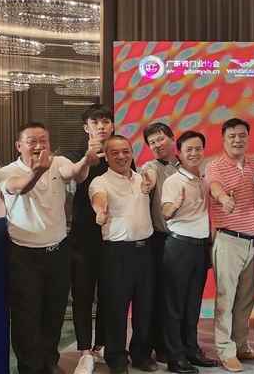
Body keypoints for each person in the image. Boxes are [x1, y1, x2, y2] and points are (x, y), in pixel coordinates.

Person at [0, 122, 95, 374]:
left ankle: (50, 361)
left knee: (55, 311)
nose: (39, 146)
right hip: (23, 254)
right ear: (19, 146)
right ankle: (30, 368)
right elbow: (19, 187)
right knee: (26, 315)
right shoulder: (6, 171)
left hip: (58, 251)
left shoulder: (58, 161)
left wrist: (86, 160)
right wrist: (37, 172)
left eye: (44, 140)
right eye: (32, 141)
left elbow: (74, 173)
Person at [89, 135, 158, 374]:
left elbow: (151, 179)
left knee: (145, 307)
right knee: (116, 309)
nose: (121, 156)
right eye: (115, 152)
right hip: (117, 253)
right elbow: (99, 199)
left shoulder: (141, 179)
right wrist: (100, 211)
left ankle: (140, 354)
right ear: (106, 157)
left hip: (145, 251)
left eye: (125, 151)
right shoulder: (100, 182)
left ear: (131, 153)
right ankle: (116, 358)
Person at [204, 118, 254, 373]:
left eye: (242, 135)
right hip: (228, 240)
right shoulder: (215, 166)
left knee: (246, 300)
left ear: (247, 137)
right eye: (232, 136)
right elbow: (214, 186)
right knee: (225, 299)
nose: (237, 140)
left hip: (253, 241)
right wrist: (222, 198)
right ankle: (225, 350)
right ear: (223, 139)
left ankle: (241, 345)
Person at [160, 130, 218, 373]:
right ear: (179, 154)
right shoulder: (174, 181)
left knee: (193, 304)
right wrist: (174, 206)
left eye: (198, 149)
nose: (194, 153)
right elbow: (165, 212)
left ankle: (192, 350)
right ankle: (175, 357)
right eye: (189, 150)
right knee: (175, 305)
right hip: (179, 247)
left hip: (200, 248)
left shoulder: (203, 180)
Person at [68, 104, 116, 374]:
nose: (101, 126)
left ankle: (102, 345)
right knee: (83, 295)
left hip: (113, 236)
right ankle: (85, 350)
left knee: (110, 293)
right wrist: (87, 160)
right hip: (83, 237)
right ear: (86, 127)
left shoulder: (119, 154)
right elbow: (74, 180)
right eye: (95, 122)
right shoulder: (76, 156)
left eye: (106, 121)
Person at [140, 122, 179, 364]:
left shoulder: (186, 165)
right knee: (159, 296)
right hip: (160, 240)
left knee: (178, 296)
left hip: (186, 240)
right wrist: (147, 184)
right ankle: (160, 345)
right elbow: (148, 180)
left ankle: (179, 343)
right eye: (152, 142)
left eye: (160, 139)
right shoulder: (150, 167)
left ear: (172, 138)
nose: (156, 145)